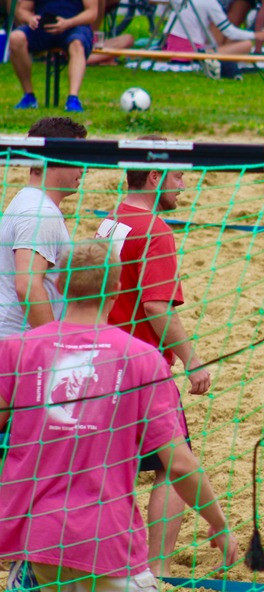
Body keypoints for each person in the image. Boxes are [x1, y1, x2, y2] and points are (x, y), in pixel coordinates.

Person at [0, 239, 238, 590]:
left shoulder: (16, 350)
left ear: (60, 285)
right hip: (107, 541)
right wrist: (218, 523)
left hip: (37, 537)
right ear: (117, 290)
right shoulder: (142, 359)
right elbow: (179, 463)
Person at [95, 155, 212, 577]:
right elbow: (156, 306)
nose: (183, 186)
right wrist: (192, 360)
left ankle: (107, 560)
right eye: (178, 176)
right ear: (155, 176)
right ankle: (157, 569)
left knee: (110, 466)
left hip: (100, 361)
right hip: (141, 369)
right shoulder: (157, 230)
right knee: (173, 466)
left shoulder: (109, 221)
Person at [0, 116, 87, 339]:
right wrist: (53, 346)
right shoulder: (40, 213)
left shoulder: (27, 200)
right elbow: (27, 286)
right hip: (19, 346)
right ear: (56, 158)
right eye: (77, 158)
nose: (83, 168)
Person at [9, 0, 98, 113]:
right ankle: (29, 96)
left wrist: (68, 22)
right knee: (16, 38)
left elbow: (92, 12)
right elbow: (22, 9)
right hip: (43, 27)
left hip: (74, 26)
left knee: (77, 44)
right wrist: (29, 18)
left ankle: (73, 99)